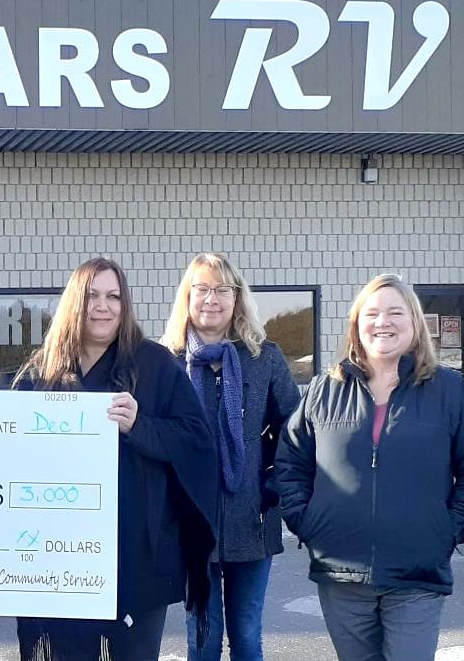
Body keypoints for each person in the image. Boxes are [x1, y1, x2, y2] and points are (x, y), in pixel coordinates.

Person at [277, 274, 464, 661]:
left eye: (396, 312)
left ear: (414, 322)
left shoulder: (449, 391)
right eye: (372, 313)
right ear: (357, 324)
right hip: (341, 571)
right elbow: (290, 462)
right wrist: (307, 520)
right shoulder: (323, 390)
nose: (383, 322)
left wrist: (450, 528)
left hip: (417, 573)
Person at [11, 258, 218, 661]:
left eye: (113, 296)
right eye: (92, 296)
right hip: (61, 556)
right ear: (75, 302)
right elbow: (9, 444)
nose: (102, 306)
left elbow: (196, 442)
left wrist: (141, 426)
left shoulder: (155, 365)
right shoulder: (44, 370)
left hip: (138, 559)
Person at [159, 254, 301, 661]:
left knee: (247, 636)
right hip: (191, 522)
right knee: (202, 641)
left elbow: (294, 427)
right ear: (187, 298)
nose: (212, 299)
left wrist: (274, 481)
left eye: (222, 289)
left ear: (237, 298)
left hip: (253, 519)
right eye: (202, 289)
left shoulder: (264, 357)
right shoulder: (166, 362)